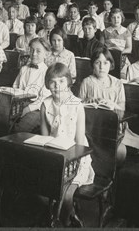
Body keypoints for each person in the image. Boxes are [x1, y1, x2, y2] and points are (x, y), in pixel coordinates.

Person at [40, 62, 94, 226]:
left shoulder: (77, 105)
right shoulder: (45, 105)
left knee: (66, 194)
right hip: (55, 156)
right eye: (53, 82)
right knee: (41, 190)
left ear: (69, 82)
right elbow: (44, 139)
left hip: (77, 158)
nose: (57, 86)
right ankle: (66, 215)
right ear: (47, 84)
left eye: (62, 81)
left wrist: (73, 163)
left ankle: (63, 221)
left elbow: (79, 142)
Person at [12, 38, 52, 133]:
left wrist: (27, 109)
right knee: (2, 123)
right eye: (32, 50)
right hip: (20, 104)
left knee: (19, 129)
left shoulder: (47, 73)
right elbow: (15, 88)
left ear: (46, 54)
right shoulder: (24, 69)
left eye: (38, 51)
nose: (34, 54)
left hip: (37, 108)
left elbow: (44, 99)